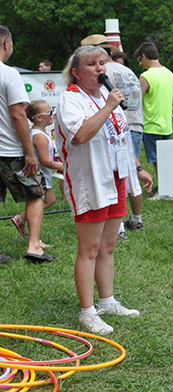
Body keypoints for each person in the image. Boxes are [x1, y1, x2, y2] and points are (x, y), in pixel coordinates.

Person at [54, 45, 144, 334]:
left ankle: (107, 301)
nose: (99, 68)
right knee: (89, 248)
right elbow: (79, 135)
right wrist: (107, 108)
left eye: (102, 63)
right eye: (92, 64)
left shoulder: (106, 94)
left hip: (115, 178)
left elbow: (119, 135)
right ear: (77, 72)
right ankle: (87, 312)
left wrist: (137, 167)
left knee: (108, 246)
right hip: (89, 181)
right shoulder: (70, 100)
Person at [81, 34, 152, 240]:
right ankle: (136, 219)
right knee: (129, 174)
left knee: (114, 177)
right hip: (134, 123)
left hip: (111, 125)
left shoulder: (99, 74)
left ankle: (118, 227)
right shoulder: (128, 70)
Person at [0, 24, 51, 264]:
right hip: (11, 151)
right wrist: (29, 153)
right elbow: (19, 115)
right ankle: (34, 247)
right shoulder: (9, 74)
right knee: (36, 193)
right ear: (5, 44)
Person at [11, 100, 63, 247]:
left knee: (50, 200)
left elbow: (46, 156)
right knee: (40, 203)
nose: (52, 114)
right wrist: (64, 166)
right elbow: (46, 161)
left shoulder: (41, 134)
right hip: (39, 176)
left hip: (43, 175)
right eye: (49, 112)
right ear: (39, 118)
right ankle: (33, 238)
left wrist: (56, 158)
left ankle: (20, 219)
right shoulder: (39, 136)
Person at [134, 41, 173, 195]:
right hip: (167, 124)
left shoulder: (146, 76)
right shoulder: (169, 74)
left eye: (139, 60)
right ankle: (167, 186)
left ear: (143, 57)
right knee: (164, 158)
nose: (140, 64)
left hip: (151, 123)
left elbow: (135, 100)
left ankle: (165, 189)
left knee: (157, 160)